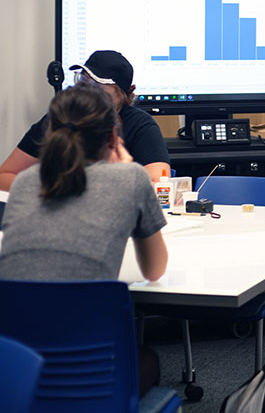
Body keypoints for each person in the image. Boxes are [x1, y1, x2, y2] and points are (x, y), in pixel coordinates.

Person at [0, 84, 168, 393]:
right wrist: (128, 170)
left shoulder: (24, 183)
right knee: (149, 362)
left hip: (16, 377)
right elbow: (154, 270)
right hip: (93, 380)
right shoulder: (131, 178)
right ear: (112, 137)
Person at [0, 50, 170, 192]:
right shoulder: (60, 118)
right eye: (82, 82)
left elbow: (159, 185)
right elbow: (4, 176)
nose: (86, 92)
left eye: (97, 87)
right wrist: (51, 190)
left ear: (124, 93)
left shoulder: (140, 126)